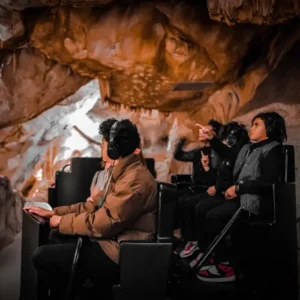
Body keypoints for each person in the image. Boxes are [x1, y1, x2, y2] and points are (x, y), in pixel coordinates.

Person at [24, 118, 157, 299]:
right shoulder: (122, 173)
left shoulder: (133, 180)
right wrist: (55, 213)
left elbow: (104, 223)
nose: (101, 148)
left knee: (43, 256)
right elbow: (93, 205)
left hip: (121, 251)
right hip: (112, 241)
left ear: (113, 148)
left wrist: (62, 222)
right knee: (56, 236)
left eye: (103, 143)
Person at [194, 112, 287, 283]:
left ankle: (224, 267)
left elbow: (269, 182)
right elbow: (229, 154)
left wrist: (239, 188)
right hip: (241, 198)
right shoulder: (248, 148)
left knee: (213, 216)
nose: (251, 129)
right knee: (205, 210)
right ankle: (212, 255)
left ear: (270, 128)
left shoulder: (273, 149)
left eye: (256, 125)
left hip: (254, 202)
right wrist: (212, 139)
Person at [178, 122, 249, 259]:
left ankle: (209, 252)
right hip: (216, 190)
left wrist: (217, 186)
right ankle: (198, 245)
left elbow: (223, 180)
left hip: (226, 194)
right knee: (185, 202)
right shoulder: (218, 154)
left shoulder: (237, 154)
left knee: (202, 208)